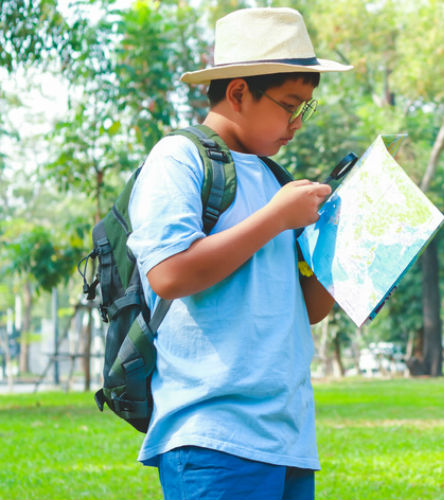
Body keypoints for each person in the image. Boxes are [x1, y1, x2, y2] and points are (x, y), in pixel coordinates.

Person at [126, 7, 352, 500]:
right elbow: (167, 273)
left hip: (288, 438)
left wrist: (349, 244)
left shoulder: (275, 179)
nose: (297, 123)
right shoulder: (178, 158)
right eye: (290, 105)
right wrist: (276, 217)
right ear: (238, 92)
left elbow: (309, 308)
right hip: (213, 437)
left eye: (306, 109)